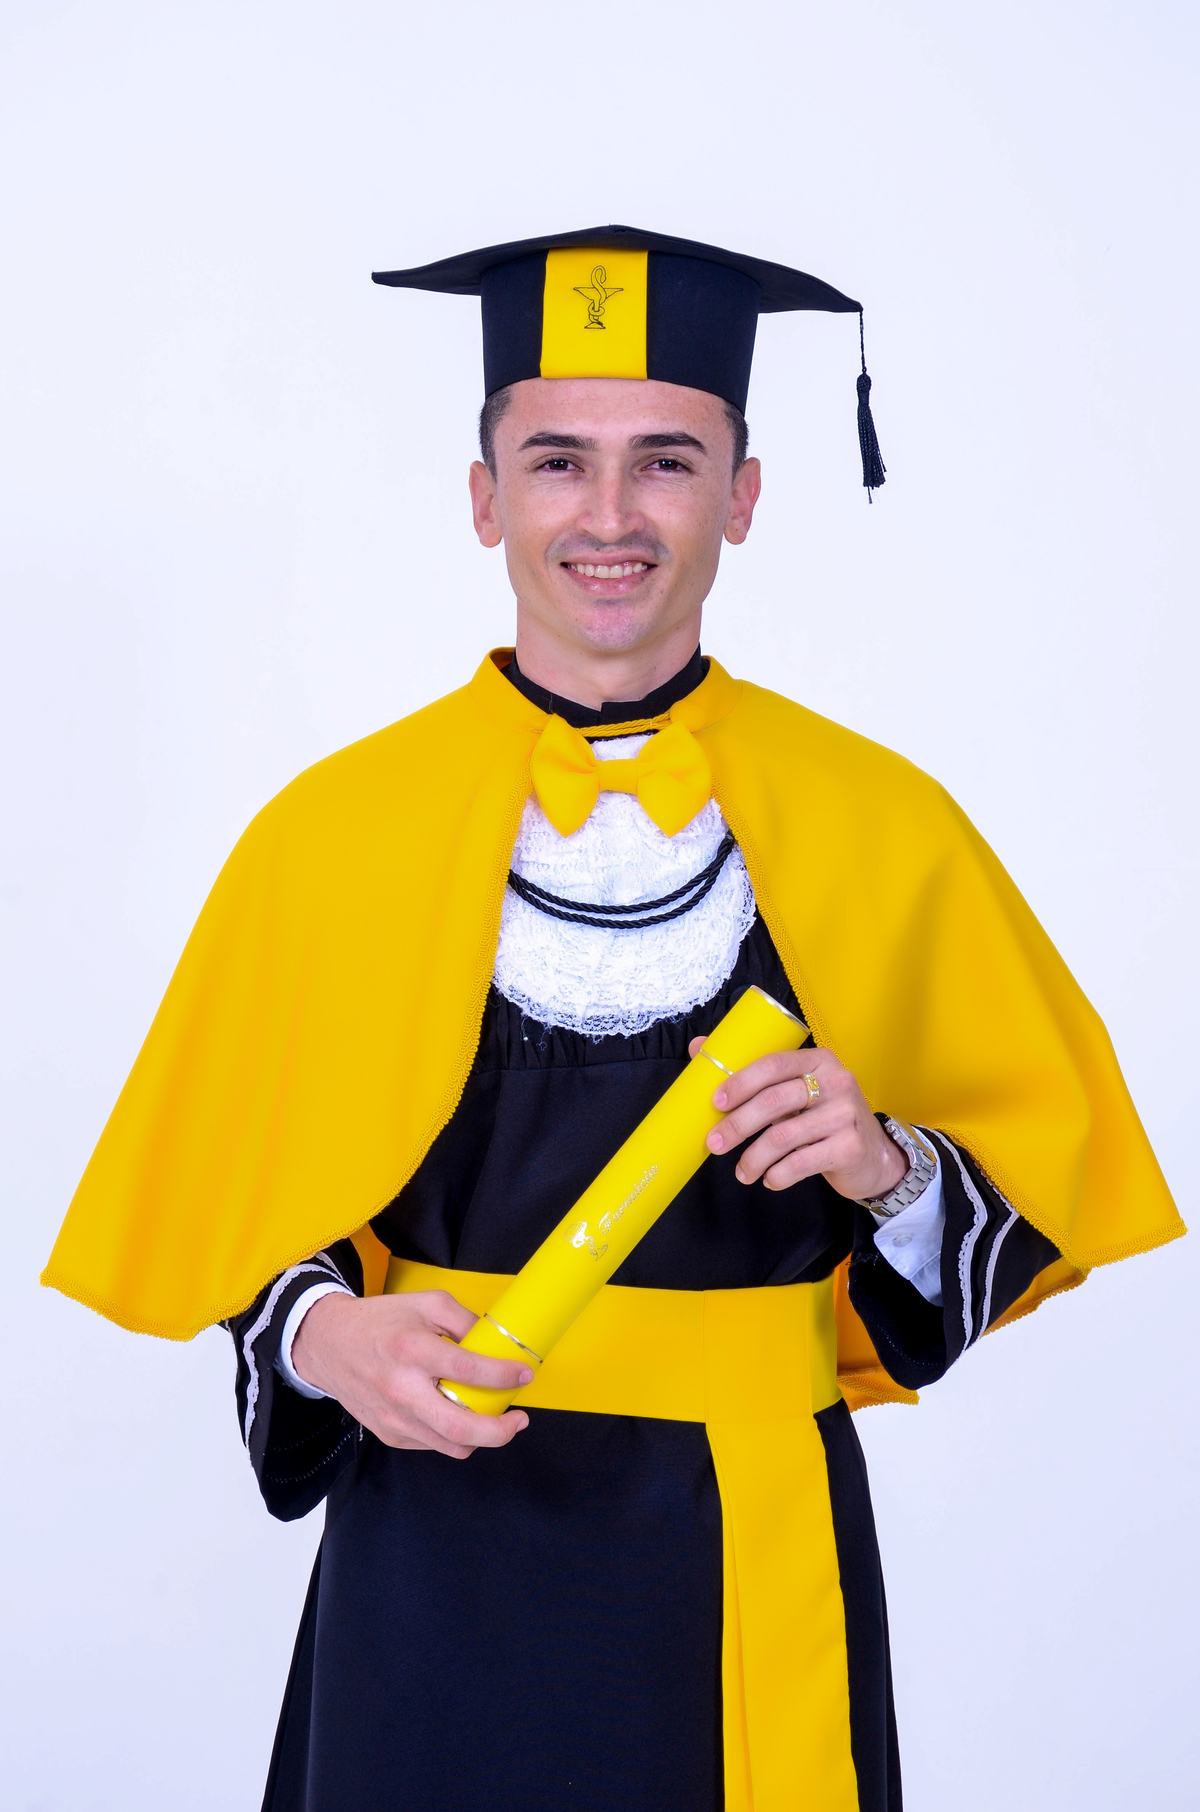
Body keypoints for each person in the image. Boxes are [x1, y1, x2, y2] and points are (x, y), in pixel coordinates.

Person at [43, 226, 1182, 1812]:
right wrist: (325, 1335)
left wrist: (890, 1167)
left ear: (744, 495)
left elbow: (1020, 1216)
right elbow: (234, 1214)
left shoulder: (885, 825)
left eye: (667, 461)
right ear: (483, 496)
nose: (609, 515)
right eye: (558, 461)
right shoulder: (329, 836)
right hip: (432, 1545)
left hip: (749, 1542)